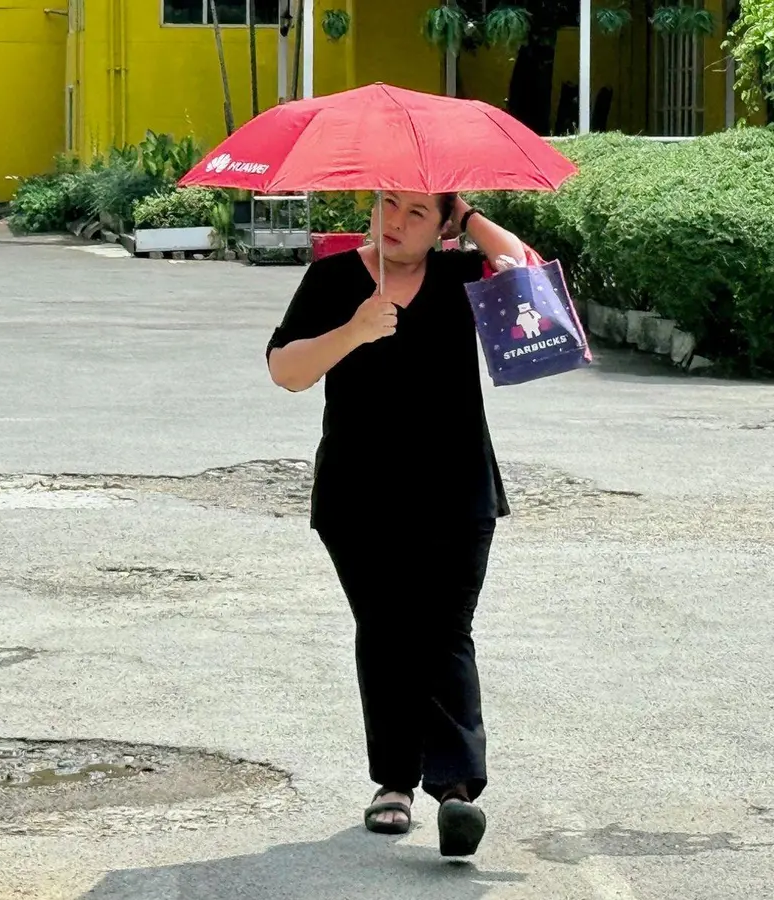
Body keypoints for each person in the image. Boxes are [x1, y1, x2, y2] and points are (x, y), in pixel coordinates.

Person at [265, 191, 528, 858]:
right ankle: (393, 784)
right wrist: (354, 330)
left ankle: (458, 792)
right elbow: (285, 370)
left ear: (443, 227)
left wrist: (469, 216)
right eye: (388, 203)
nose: (395, 222)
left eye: (417, 212)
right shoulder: (334, 278)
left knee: (444, 631)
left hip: (457, 489)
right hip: (360, 495)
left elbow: (525, 272)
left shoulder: (462, 275)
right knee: (384, 631)